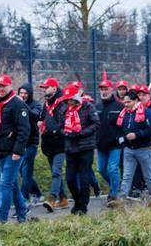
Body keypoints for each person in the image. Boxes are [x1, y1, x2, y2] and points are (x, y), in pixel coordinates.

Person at [0, 75, 31, 224]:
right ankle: (22, 212)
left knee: (5, 183)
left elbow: (24, 129)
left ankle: (2, 217)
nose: (1, 89)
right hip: (2, 151)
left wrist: (17, 151)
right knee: (12, 184)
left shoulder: (17, 104)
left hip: (13, 152)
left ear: (10, 87)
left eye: (4, 86)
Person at [114, 90, 151, 207]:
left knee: (148, 175)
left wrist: (137, 135)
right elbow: (120, 129)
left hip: (144, 149)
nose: (126, 104)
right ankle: (122, 199)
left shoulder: (146, 112)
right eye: (124, 102)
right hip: (129, 149)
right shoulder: (125, 113)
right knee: (127, 176)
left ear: (135, 101)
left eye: (128, 102)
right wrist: (122, 138)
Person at [61, 84, 97, 216]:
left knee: (84, 178)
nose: (69, 102)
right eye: (67, 100)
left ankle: (83, 206)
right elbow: (60, 126)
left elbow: (95, 124)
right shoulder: (64, 110)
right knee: (70, 178)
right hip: (70, 148)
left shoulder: (88, 107)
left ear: (76, 98)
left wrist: (81, 133)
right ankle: (77, 201)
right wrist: (65, 133)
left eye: (71, 99)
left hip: (85, 147)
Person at [39, 78, 70, 211]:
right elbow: (41, 117)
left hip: (60, 142)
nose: (44, 90)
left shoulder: (62, 103)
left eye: (47, 87)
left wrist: (53, 129)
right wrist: (40, 122)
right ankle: (63, 199)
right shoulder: (46, 104)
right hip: (48, 143)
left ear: (54, 88)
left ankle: (52, 198)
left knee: (56, 171)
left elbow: (63, 122)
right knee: (54, 171)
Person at [92, 76, 123, 205]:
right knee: (101, 169)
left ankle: (114, 194)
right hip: (100, 145)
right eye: (101, 89)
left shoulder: (119, 106)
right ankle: (116, 185)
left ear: (111, 90)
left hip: (115, 145)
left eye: (106, 89)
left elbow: (123, 125)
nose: (103, 92)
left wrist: (120, 138)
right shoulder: (96, 106)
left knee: (112, 169)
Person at [16, 83, 44, 204]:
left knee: (26, 171)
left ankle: (24, 198)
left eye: (25, 93)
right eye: (21, 93)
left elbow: (35, 115)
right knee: (22, 171)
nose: (23, 95)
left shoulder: (36, 105)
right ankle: (37, 193)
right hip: (19, 143)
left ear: (30, 94)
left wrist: (22, 105)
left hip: (31, 142)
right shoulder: (15, 104)